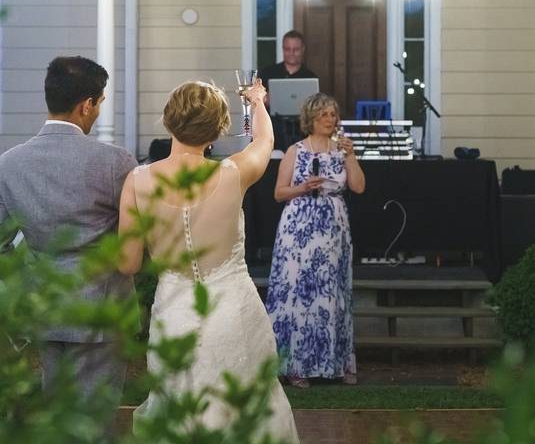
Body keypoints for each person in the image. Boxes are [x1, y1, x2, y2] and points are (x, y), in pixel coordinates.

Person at [118, 80, 298, 441]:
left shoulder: (137, 181)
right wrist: (257, 101)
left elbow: (128, 264)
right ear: (218, 129)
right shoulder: (234, 173)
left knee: (178, 404)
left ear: (169, 122)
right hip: (233, 309)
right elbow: (264, 142)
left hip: (175, 313)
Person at [0, 56, 137, 433]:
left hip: (45, 307)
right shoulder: (114, 163)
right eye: (100, 102)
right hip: (102, 310)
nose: (98, 111)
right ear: (87, 105)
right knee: (95, 423)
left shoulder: (9, 164)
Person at [265, 93, 366, 388]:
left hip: (333, 227)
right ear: (310, 119)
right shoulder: (295, 151)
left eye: (333, 114)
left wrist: (351, 156)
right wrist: (302, 187)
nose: (329, 120)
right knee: (298, 292)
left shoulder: (341, 150)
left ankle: (336, 363)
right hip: (299, 226)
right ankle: (295, 366)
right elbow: (278, 193)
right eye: (323, 115)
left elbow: (359, 187)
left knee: (331, 292)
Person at [259, 30, 319, 150]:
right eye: (287, 49)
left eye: (296, 49)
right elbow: (255, 101)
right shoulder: (267, 73)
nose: (291, 53)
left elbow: (316, 109)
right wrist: (262, 100)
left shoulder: (310, 77)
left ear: (303, 49)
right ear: (282, 49)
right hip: (273, 133)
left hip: (302, 133)